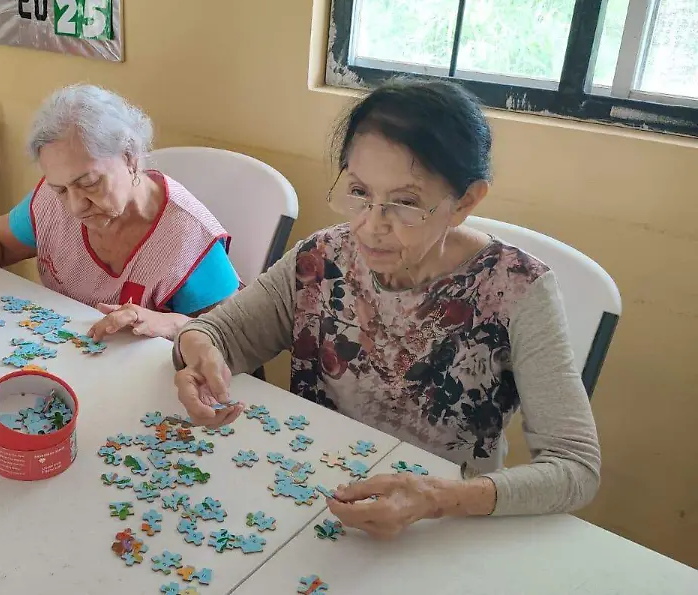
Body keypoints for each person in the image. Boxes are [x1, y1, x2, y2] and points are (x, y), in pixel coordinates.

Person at [172, 79, 600, 537]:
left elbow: (575, 468)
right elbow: (217, 334)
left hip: (440, 527)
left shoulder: (517, 290)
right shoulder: (320, 259)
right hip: (307, 499)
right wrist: (197, 353)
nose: (371, 226)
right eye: (359, 192)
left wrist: (438, 498)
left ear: (465, 201)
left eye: (406, 203)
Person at [0, 84, 240, 340]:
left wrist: (167, 324)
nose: (75, 207)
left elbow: (231, 336)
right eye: (60, 189)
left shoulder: (191, 240)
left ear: (130, 157)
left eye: (89, 183)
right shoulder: (51, 202)